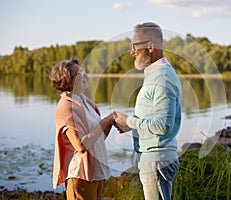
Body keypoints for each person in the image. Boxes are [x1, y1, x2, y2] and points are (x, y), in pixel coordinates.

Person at [114, 22, 182, 200]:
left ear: (151, 46)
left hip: (157, 160)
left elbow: (163, 125)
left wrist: (128, 121)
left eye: (135, 45)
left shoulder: (162, 77)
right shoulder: (156, 74)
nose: (132, 51)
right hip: (154, 158)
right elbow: (155, 118)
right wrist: (132, 126)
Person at [49, 58, 115, 200]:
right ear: (67, 80)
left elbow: (99, 137)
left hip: (97, 172)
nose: (85, 75)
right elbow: (81, 145)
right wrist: (105, 122)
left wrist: (111, 121)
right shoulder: (66, 107)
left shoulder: (85, 102)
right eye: (79, 74)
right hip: (81, 174)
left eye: (83, 71)